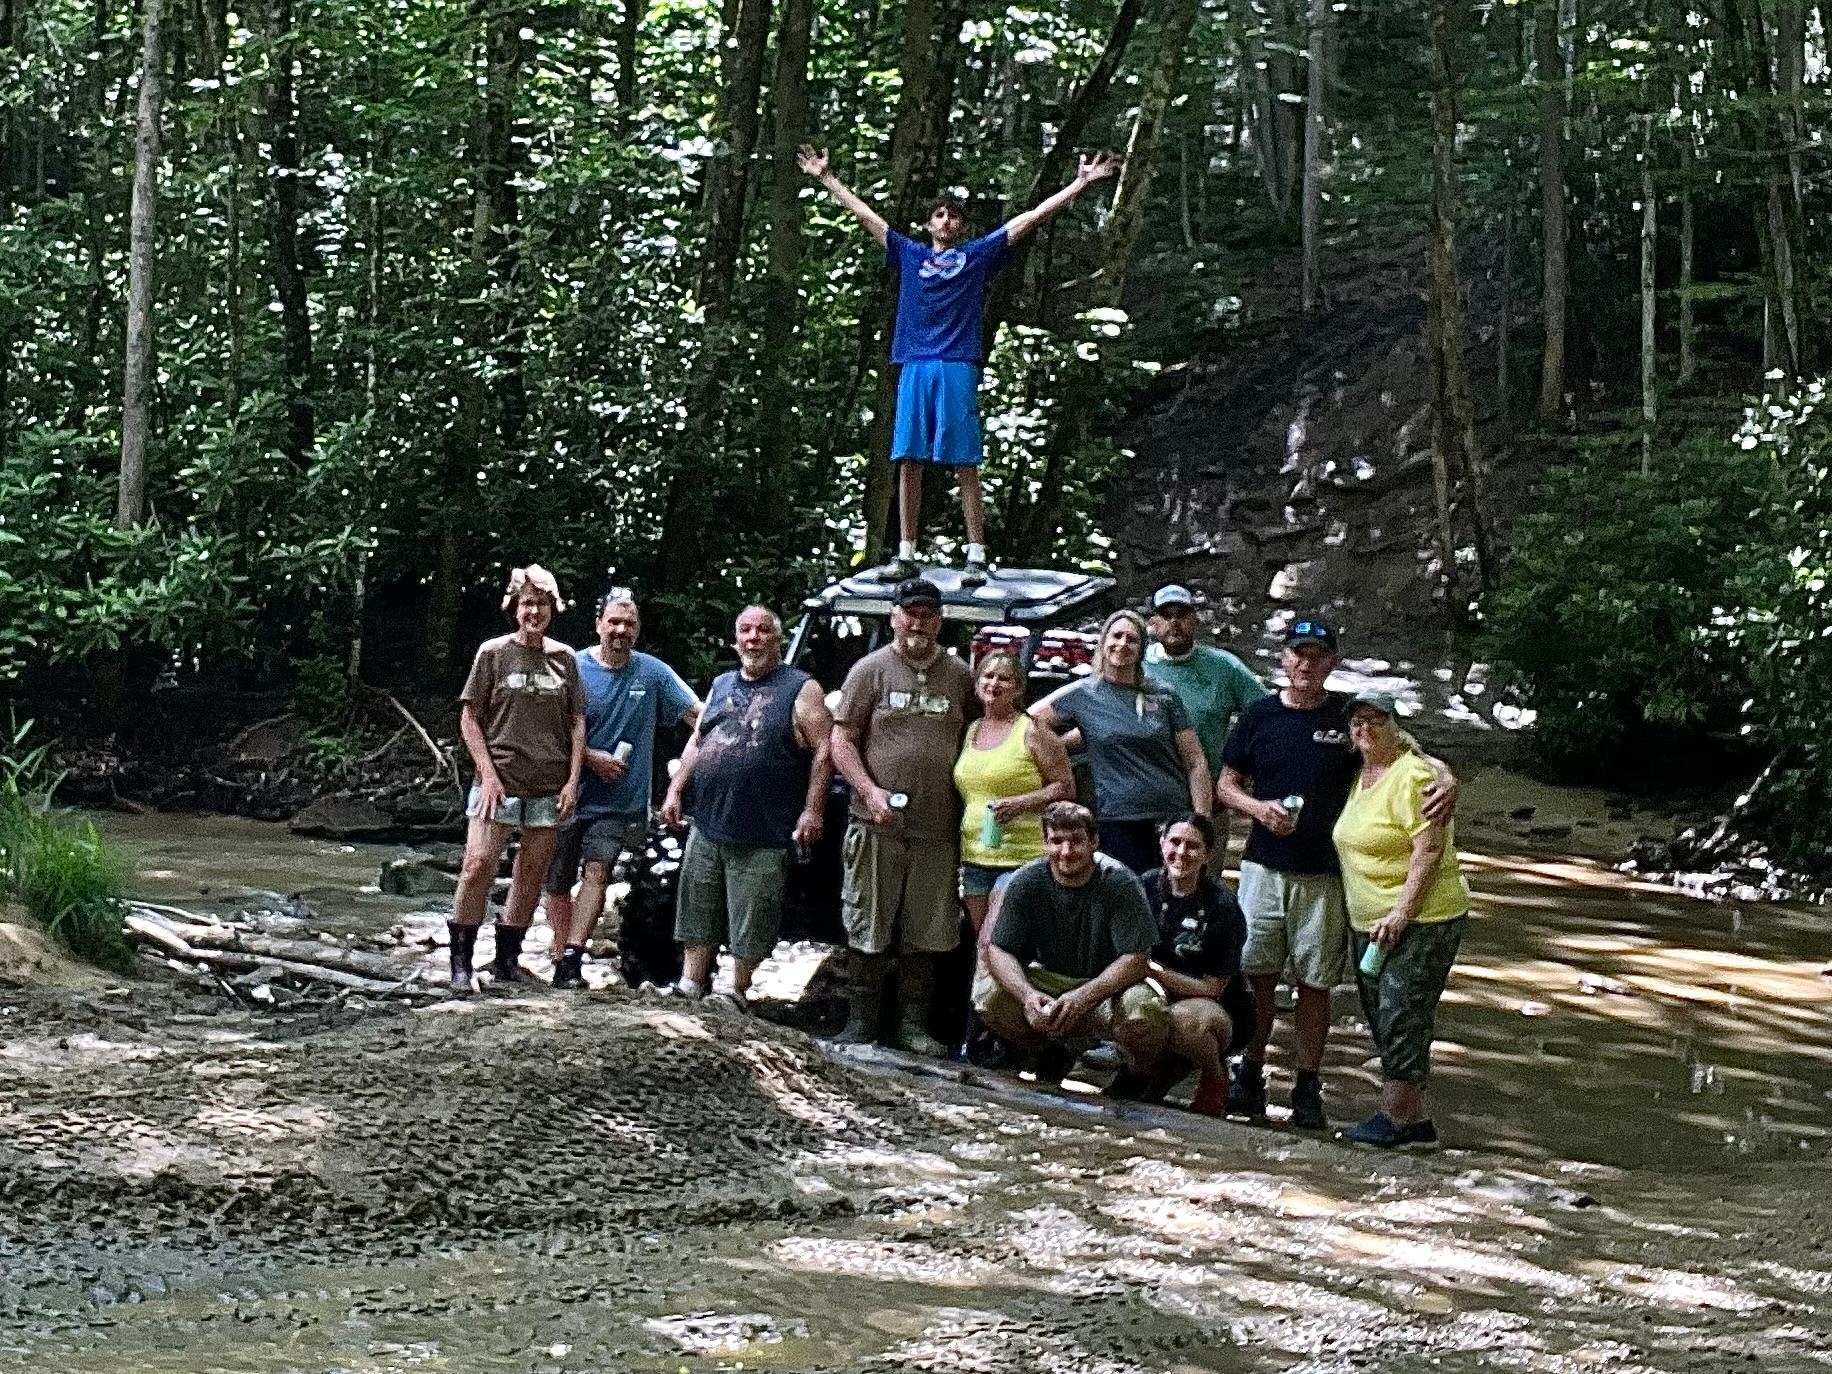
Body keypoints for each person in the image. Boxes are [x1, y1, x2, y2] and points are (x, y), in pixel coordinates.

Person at [798, 143, 1120, 586]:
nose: (946, 221)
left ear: (962, 226)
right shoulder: (910, 254)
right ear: (928, 224)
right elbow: (867, 216)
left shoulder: (976, 256)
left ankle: (976, 554)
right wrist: (827, 178)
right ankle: (906, 553)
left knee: (964, 460)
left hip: (956, 364)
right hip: (915, 363)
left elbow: (1030, 219)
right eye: (939, 215)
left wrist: (1080, 184)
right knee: (909, 459)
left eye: (953, 216)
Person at [1216, 618, 1455, 1130]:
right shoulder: (1259, 715)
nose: (1306, 664)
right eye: (1298, 654)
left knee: (1315, 983)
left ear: (1331, 663)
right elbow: (1225, 784)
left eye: (1317, 655)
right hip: (1262, 866)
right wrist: (1257, 809)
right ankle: (1250, 1072)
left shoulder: (1348, 718)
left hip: (1325, 874)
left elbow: (1404, 750)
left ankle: (1306, 1085)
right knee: (1257, 975)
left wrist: (1447, 775)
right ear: (1284, 659)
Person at [659, 606, 833, 1010]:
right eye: (746, 630)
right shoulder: (721, 683)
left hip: (765, 826)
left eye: (763, 630)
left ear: (779, 638)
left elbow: (825, 749)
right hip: (709, 819)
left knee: (753, 915)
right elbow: (698, 740)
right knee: (697, 906)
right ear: (735, 640)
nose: (754, 638)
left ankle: (735, 991)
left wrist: (813, 810)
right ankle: (690, 984)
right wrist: (675, 789)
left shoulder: (802, 688)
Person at [829, 576, 974, 1053]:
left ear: (940, 621)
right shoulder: (869, 670)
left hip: (938, 828)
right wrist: (869, 791)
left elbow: (983, 732)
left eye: (928, 615)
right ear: (894, 617)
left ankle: (913, 1026)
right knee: (867, 922)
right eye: (910, 614)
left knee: (927, 930)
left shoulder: (959, 675)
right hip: (876, 824)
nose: (918, 623)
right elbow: (841, 738)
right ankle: (860, 1022)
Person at [541, 589, 700, 989]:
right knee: (556, 882)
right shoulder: (572, 667)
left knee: (598, 871)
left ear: (638, 629)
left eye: (629, 624)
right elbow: (545, 730)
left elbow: (699, 717)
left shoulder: (653, 673)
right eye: (613, 622)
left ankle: (572, 957)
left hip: (619, 801)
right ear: (598, 625)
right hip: (565, 792)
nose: (620, 630)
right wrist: (590, 758)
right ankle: (560, 953)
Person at [1333, 690, 1471, 1148]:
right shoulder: (1359, 772)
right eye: (1358, 721)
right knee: (1383, 1015)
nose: (1365, 729)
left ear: (1396, 726)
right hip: (1370, 922)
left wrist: (1401, 913)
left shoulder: (1415, 777)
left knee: (1402, 1015)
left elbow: (1428, 850)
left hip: (1420, 920)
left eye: (1377, 720)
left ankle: (1398, 1120)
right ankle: (1415, 1119)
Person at [451, 565, 585, 993]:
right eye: (528, 603)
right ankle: (461, 962)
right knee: (477, 864)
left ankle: (507, 959)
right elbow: (470, 717)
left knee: (532, 872)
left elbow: (577, 722)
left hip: (548, 782)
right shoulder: (492, 653)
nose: (535, 612)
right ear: (514, 608)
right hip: (499, 780)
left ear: (552, 608)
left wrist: (572, 780)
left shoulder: (565, 658)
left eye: (542, 604)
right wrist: (488, 775)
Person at [974, 801, 1169, 1084]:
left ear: (1094, 841)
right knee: (988, 997)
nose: (1066, 851)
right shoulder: (1026, 880)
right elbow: (999, 949)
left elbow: (1137, 958)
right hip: (1047, 980)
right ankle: (1045, 1050)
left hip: (1106, 987)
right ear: (1045, 843)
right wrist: (1027, 995)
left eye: (1076, 841)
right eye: (1057, 841)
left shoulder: (1120, 882)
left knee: (1144, 1011)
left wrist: (1085, 996)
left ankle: (1136, 1075)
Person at [1030, 609, 1211, 876]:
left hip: (1171, 818)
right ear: (1103, 641)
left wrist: (1201, 822)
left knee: (1170, 893)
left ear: (1141, 649)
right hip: (1117, 821)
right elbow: (1028, 722)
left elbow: (1195, 761)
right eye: (1116, 636)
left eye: (1132, 639)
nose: (1123, 644)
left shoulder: (1163, 694)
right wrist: (1058, 756)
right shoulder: (1083, 694)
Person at [953, 651, 1074, 941]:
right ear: (977, 683)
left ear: (1018, 688)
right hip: (975, 856)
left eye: (1004, 679)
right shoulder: (971, 730)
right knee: (985, 943)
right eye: (988, 676)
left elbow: (1065, 787)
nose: (994, 683)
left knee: (993, 940)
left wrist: (1021, 803)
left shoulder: (1032, 730)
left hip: (1021, 856)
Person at [1144, 584, 1268, 867]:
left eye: (1181, 614)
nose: (1174, 622)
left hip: (1207, 801)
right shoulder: (1138, 665)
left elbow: (1265, 716)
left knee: (1202, 883)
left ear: (1195, 620)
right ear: (1154, 623)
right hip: (1149, 801)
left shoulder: (1224, 667)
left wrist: (1237, 770)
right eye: (1166, 615)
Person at [1140, 813, 1250, 1116]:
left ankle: (1215, 1076)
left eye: (1192, 846)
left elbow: (1213, 987)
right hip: (1154, 992)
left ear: (1208, 855)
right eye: (1175, 842)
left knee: (1182, 1023)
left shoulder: (1222, 906)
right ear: (1162, 843)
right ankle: (1141, 1072)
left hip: (1213, 1005)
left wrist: (1153, 972)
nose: (1181, 853)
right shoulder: (1144, 886)